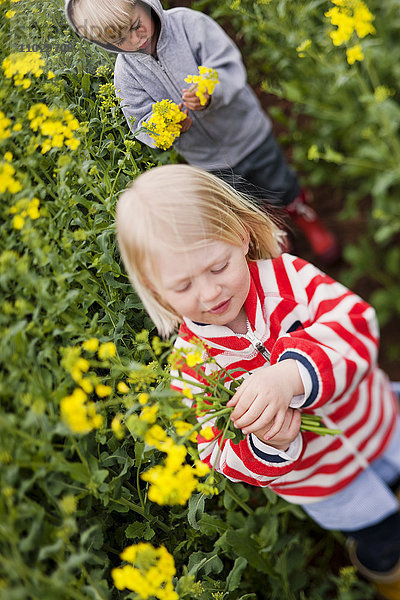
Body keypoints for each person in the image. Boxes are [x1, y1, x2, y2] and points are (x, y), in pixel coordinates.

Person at [116, 164, 400, 599]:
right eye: (183, 285)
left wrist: (291, 374)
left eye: (218, 266)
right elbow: (218, 453)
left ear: (242, 236)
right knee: (384, 541)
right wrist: (268, 443)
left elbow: (356, 323)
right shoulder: (192, 366)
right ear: (156, 293)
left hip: (380, 419)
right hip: (328, 483)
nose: (210, 293)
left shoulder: (290, 279)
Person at [65, 0, 340, 265]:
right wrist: (169, 129)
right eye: (120, 40)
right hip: (207, 159)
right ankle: (272, 229)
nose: (135, 40)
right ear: (104, 43)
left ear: (145, 3)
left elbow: (227, 65)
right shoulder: (126, 75)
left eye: (137, 25)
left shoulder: (188, 25)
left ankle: (302, 214)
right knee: (243, 202)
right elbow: (140, 122)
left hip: (248, 134)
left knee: (279, 181)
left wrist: (210, 93)